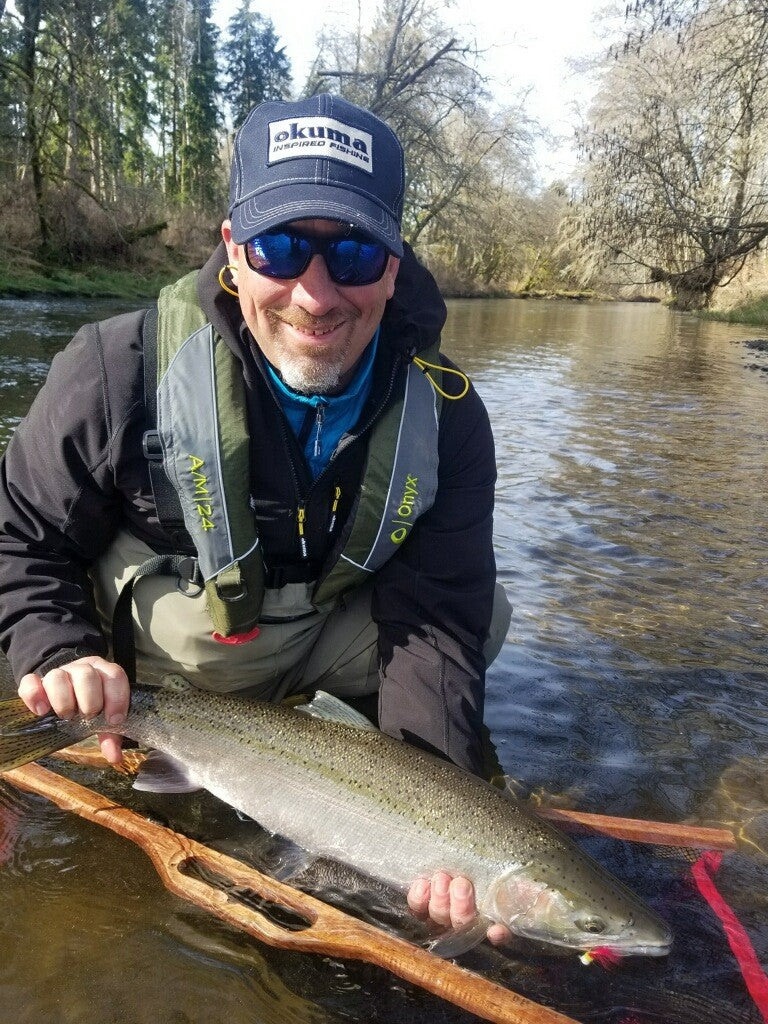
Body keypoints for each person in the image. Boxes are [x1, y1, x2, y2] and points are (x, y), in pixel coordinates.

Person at [0, 94, 510, 942]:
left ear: (393, 265)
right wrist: (57, 648)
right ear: (234, 252)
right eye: (280, 248)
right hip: (157, 663)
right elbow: (17, 535)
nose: (315, 294)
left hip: (314, 636)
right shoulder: (115, 371)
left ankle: (324, 758)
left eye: (352, 252)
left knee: (485, 618)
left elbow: (439, 623)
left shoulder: (447, 415)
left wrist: (433, 811)